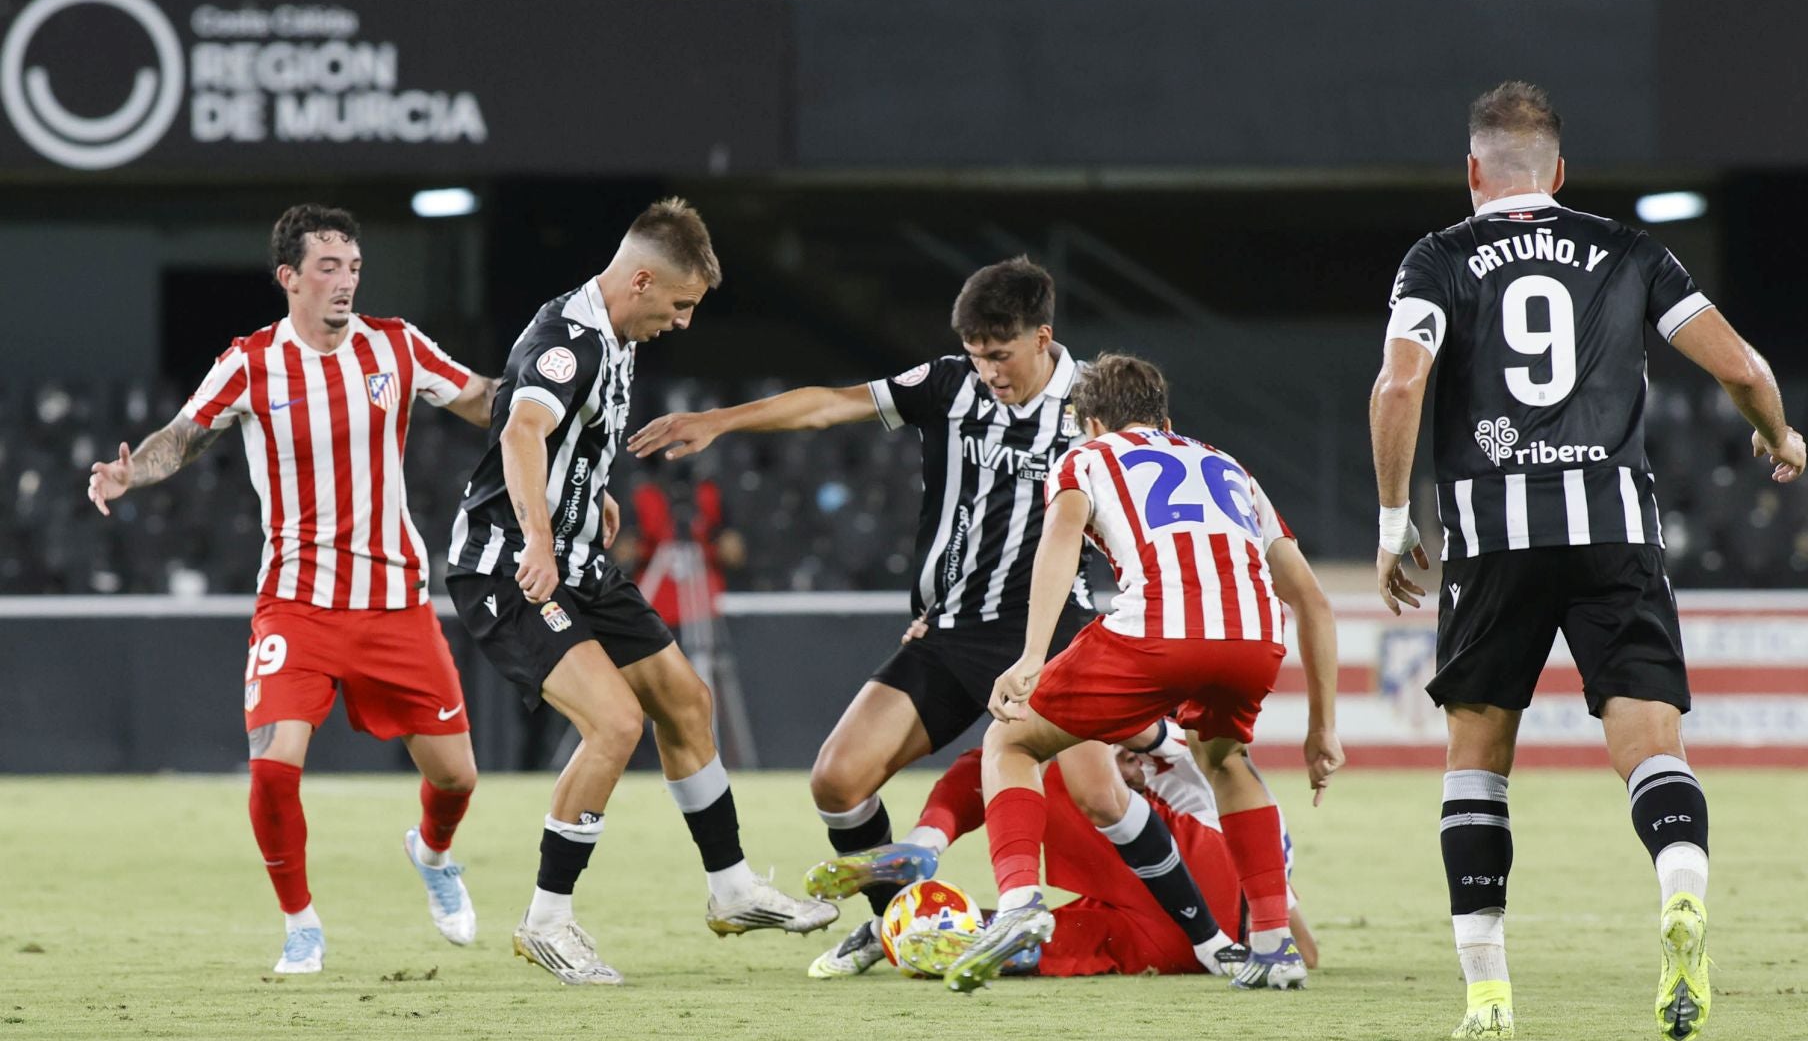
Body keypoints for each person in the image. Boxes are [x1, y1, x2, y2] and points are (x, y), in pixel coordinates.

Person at [630, 260, 1235, 980]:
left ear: (1044, 338)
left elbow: (1155, 496)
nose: (988, 373)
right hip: (949, 632)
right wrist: (720, 422)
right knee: (837, 780)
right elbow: (831, 404)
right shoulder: (949, 384)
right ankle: (899, 922)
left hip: (1050, 632)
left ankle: (1208, 939)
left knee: (1099, 791)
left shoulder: (1090, 410)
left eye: (1001, 357)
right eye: (978, 357)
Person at [1369, 81, 1808, 1041]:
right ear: (1560, 173)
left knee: (1477, 760)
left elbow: (1402, 382)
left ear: (1474, 171)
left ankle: (1487, 990)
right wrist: (1778, 435)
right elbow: (1742, 367)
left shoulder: (1437, 258)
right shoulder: (1630, 250)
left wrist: (1396, 519)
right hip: (1613, 528)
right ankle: (1680, 891)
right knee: (1652, 745)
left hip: (1491, 541)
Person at [85, 204, 492, 975]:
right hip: (297, 604)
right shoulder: (251, 362)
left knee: (456, 776)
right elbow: (186, 433)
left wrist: (550, 420)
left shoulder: (396, 346)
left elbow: (478, 397)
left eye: (354, 267)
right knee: (273, 767)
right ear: (290, 278)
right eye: (328, 269)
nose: (345, 283)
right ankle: (301, 924)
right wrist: (128, 471)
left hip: (395, 602)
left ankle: (434, 856)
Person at [445, 198, 834, 987]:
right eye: (681, 305)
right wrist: (545, 537)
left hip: (580, 557)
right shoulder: (571, 341)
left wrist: (589, 494)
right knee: (616, 723)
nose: (684, 322)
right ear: (643, 279)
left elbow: (562, 440)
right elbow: (521, 431)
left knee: (685, 702)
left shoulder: (615, 334)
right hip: (509, 567)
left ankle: (731, 889)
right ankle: (547, 918)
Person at [946, 352, 1344, 995]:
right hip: (1252, 634)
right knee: (1226, 762)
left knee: (1012, 739)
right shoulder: (1228, 465)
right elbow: (1313, 602)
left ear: (1092, 420)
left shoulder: (1087, 457)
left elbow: (1059, 542)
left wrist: (1030, 658)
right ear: (1165, 416)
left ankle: (1019, 903)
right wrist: (1324, 729)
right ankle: (1273, 946)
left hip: (1158, 626)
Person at [847, 723, 1320, 979]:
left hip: (1197, 875)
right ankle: (922, 931)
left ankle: (926, 840)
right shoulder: (1245, 797)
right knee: (1074, 938)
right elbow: (1304, 947)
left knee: (1011, 751)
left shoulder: (1169, 737)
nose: (1132, 767)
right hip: (1190, 941)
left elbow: (1102, 723)